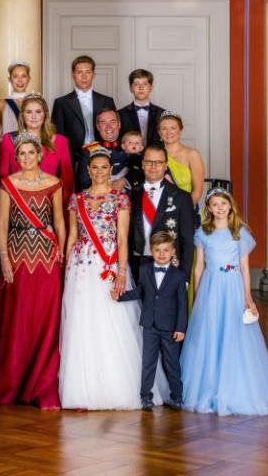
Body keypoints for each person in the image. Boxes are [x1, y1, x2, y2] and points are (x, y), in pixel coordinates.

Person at [59, 148, 164, 410]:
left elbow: (121, 238)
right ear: (88, 170)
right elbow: (72, 237)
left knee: (112, 322)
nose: (99, 172)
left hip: (108, 264)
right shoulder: (76, 199)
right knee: (82, 323)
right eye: (94, 167)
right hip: (81, 267)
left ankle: (118, 386)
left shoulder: (120, 199)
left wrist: (121, 273)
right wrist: (66, 267)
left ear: (110, 169)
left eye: (104, 167)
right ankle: (84, 387)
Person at [0, 133, 65, 410]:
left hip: (46, 257)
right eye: (22, 154)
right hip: (17, 255)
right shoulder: (8, 184)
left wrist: (61, 252)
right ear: (16, 158)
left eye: (31, 152)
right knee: (17, 320)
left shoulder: (54, 183)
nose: (27, 157)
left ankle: (41, 385)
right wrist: (4, 258)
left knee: (45, 320)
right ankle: (13, 382)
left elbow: (59, 222)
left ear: (40, 155)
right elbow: (2, 224)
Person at [180, 189, 268, 416]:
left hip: (233, 286)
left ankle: (234, 387)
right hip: (211, 286)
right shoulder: (203, 233)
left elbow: (244, 267)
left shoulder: (239, 233)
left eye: (223, 204)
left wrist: (248, 296)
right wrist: (198, 297)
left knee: (233, 332)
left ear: (230, 206)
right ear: (208, 208)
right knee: (210, 332)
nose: (219, 208)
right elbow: (199, 268)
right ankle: (208, 388)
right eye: (214, 204)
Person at [113, 231, 187, 411]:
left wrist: (180, 328)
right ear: (151, 251)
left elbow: (182, 304)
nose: (162, 254)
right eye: (157, 250)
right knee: (148, 362)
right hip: (149, 325)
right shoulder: (145, 269)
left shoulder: (178, 275)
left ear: (172, 252)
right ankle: (146, 396)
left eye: (165, 250)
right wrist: (119, 296)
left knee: (171, 363)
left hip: (170, 328)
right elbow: (140, 292)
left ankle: (176, 396)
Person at [0, 94, 74, 214]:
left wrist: (64, 216)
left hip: (50, 210)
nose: (33, 116)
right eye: (28, 112)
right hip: (17, 209)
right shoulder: (9, 140)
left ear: (45, 114)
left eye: (38, 111)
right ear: (22, 115)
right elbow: (1, 178)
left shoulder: (60, 141)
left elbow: (67, 183)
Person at [128, 145, 195, 283]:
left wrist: (185, 276)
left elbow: (187, 239)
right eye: (149, 161)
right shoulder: (131, 195)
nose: (153, 166)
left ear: (166, 165)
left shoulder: (181, 197)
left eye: (158, 162)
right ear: (142, 164)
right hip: (138, 264)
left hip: (170, 264)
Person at [51, 55, 117, 166]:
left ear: (94, 75)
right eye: (79, 72)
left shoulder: (107, 101)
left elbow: (114, 130)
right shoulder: (61, 103)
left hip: (103, 154)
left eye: (88, 72)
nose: (84, 76)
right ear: (73, 75)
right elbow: (58, 136)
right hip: (73, 158)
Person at [158, 111, 205, 209]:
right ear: (159, 132)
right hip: (159, 209)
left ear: (180, 130)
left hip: (187, 208)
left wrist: (183, 213)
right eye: (164, 129)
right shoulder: (155, 155)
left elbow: (197, 191)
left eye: (173, 128)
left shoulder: (192, 154)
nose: (168, 132)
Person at [75, 108, 128, 192]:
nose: (108, 127)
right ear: (98, 127)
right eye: (103, 123)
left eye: (112, 122)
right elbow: (83, 182)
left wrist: (125, 181)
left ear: (119, 124)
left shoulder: (131, 147)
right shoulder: (89, 150)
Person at [118, 69, 165, 147]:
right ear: (130, 88)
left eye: (145, 84)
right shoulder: (120, 114)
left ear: (151, 88)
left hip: (156, 158)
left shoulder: (162, 113)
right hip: (129, 158)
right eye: (136, 84)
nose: (141, 88)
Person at [0, 60, 33, 143]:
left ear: (29, 78)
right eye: (15, 76)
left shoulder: (37, 103)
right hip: (8, 151)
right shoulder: (0, 105)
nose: (20, 80)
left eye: (24, 76)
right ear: (10, 79)